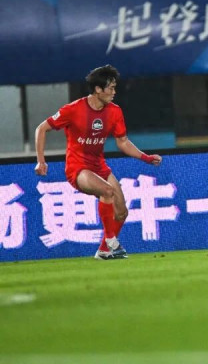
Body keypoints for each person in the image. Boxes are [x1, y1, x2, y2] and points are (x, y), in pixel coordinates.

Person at [34, 65, 162, 260]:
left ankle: (103, 250)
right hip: (77, 168)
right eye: (111, 88)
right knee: (107, 191)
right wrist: (41, 161)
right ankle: (111, 241)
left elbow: (123, 142)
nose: (114, 92)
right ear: (98, 89)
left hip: (99, 166)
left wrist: (145, 157)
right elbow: (41, 128)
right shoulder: (73, 109)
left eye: (115, 87)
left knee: (121, 212)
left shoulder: (115, 111)